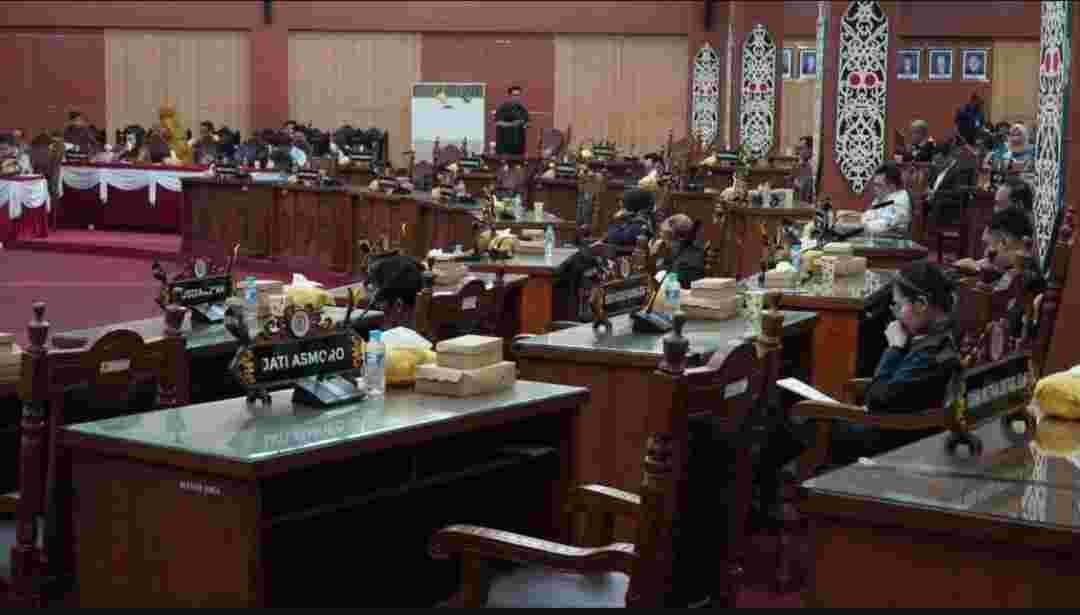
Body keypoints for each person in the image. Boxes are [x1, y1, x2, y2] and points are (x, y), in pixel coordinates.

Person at [753, 261, 961, 520]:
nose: (895, 314)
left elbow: (877, 399)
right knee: (791, 401)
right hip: (891, 424)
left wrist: (894, 347)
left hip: (887, 435)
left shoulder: (931, 352)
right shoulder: (939, 337)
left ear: (920, 304)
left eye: (897, 305)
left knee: (797, 412)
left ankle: (763, 495)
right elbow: (888, 393)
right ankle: (767, 488)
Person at [925, 108, 979, 226]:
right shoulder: (938, 167)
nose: (936, 163)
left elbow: (959, 191)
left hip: (949, 205)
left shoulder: (963, 163)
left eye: (938, 161)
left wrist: (935, 194)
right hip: (935, 201)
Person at [656, 213, 706, 288]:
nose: (663, 241)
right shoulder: (673, 254)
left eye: (665, 237)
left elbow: (668, 284)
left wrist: (652, 270)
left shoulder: (689, 258)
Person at [862, 162, 911, 237]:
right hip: (877, 238)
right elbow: (866, 216)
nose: (875, 189)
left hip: (892, 241)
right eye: (875, 184)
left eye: (879, 185)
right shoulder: (883, 197)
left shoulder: (900, 201)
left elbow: (882, 226)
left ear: (892, 186)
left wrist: (866, 223)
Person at [493, 85, 529, 156]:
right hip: (505, 146)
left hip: (519, 146)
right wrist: (512, 124)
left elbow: (527, 122)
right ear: (510, 96)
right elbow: (498, 123)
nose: (517, 97)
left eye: (518, 95)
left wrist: (525, 124)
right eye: (514, 95)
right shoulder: (503, 107)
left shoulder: (522, 109)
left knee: (519, 163)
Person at [787, 135, 815, 204]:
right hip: (797, 198)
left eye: (803, 148)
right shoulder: (797, 165)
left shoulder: (812, 166)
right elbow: (790, 181)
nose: (800, 152)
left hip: (807, 200)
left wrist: (799, 183)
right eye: (800, 148)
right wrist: (794, 183)